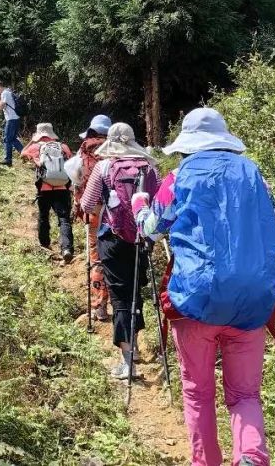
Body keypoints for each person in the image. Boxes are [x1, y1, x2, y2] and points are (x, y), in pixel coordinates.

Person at [132, 107, 275, 466]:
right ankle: (250, 456)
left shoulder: (178, 177)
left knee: (198, 392)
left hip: (196, 300)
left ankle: (205, 462)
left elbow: (151, 228)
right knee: (245, 394)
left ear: (188, 146)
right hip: (253, 302)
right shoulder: (255, 176)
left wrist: (140, 204)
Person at [79, 122, 158, 379]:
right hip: (141, 238)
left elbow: (88, 204)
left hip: (112, 240)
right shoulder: (149, 167)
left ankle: (127, 361)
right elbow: (158, 205)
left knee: (120, 297)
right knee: (135, 291)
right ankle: (133, 345)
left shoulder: (104, 166)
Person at [72, 114, 112, 322]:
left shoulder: (84, 151)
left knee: (97, 259)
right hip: (117, 211)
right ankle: (121, 300)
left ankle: (100, 306)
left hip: (93, 210)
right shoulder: (117, 150)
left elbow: (77, 180)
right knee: (116, 255)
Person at [20, 123, 74, 262]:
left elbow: (22, 154)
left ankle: (45, 245)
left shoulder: (36, 147)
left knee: (44, 216)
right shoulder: (63, 147)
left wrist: (32, 140)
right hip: (62, 188)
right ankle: (67, 248)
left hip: (44, 188)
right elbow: (71, 162)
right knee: (64, 219)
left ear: (39, 134)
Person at [0, 80, 23, 166]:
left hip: (11, 119)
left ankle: (8, 159)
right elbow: (4, 106)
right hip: (16, 118)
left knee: (7, 139)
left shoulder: (5, 93)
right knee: (12, 139)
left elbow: (1, 107)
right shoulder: (9, 91)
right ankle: (25, 154)